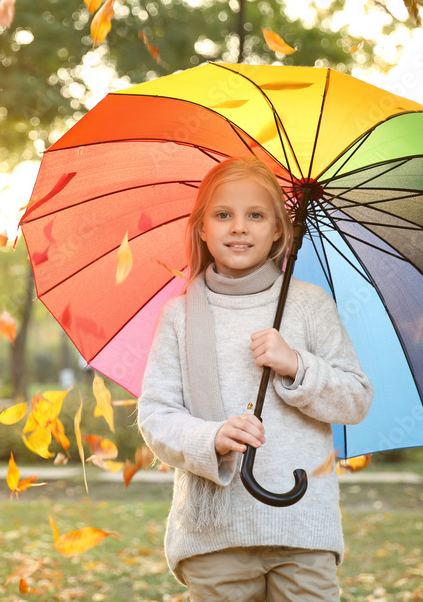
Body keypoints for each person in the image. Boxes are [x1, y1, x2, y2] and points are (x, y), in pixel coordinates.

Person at [137, 155, 373, 601]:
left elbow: (355, 400)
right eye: (223, 214)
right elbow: (156, 415)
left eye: (256, 215)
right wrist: (212, 436)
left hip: (302, 528)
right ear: (202, 227)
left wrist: (297, 366)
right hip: (215, 535)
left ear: (280, 231)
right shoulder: (180, 314)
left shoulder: (308, 305)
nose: (239, 227)